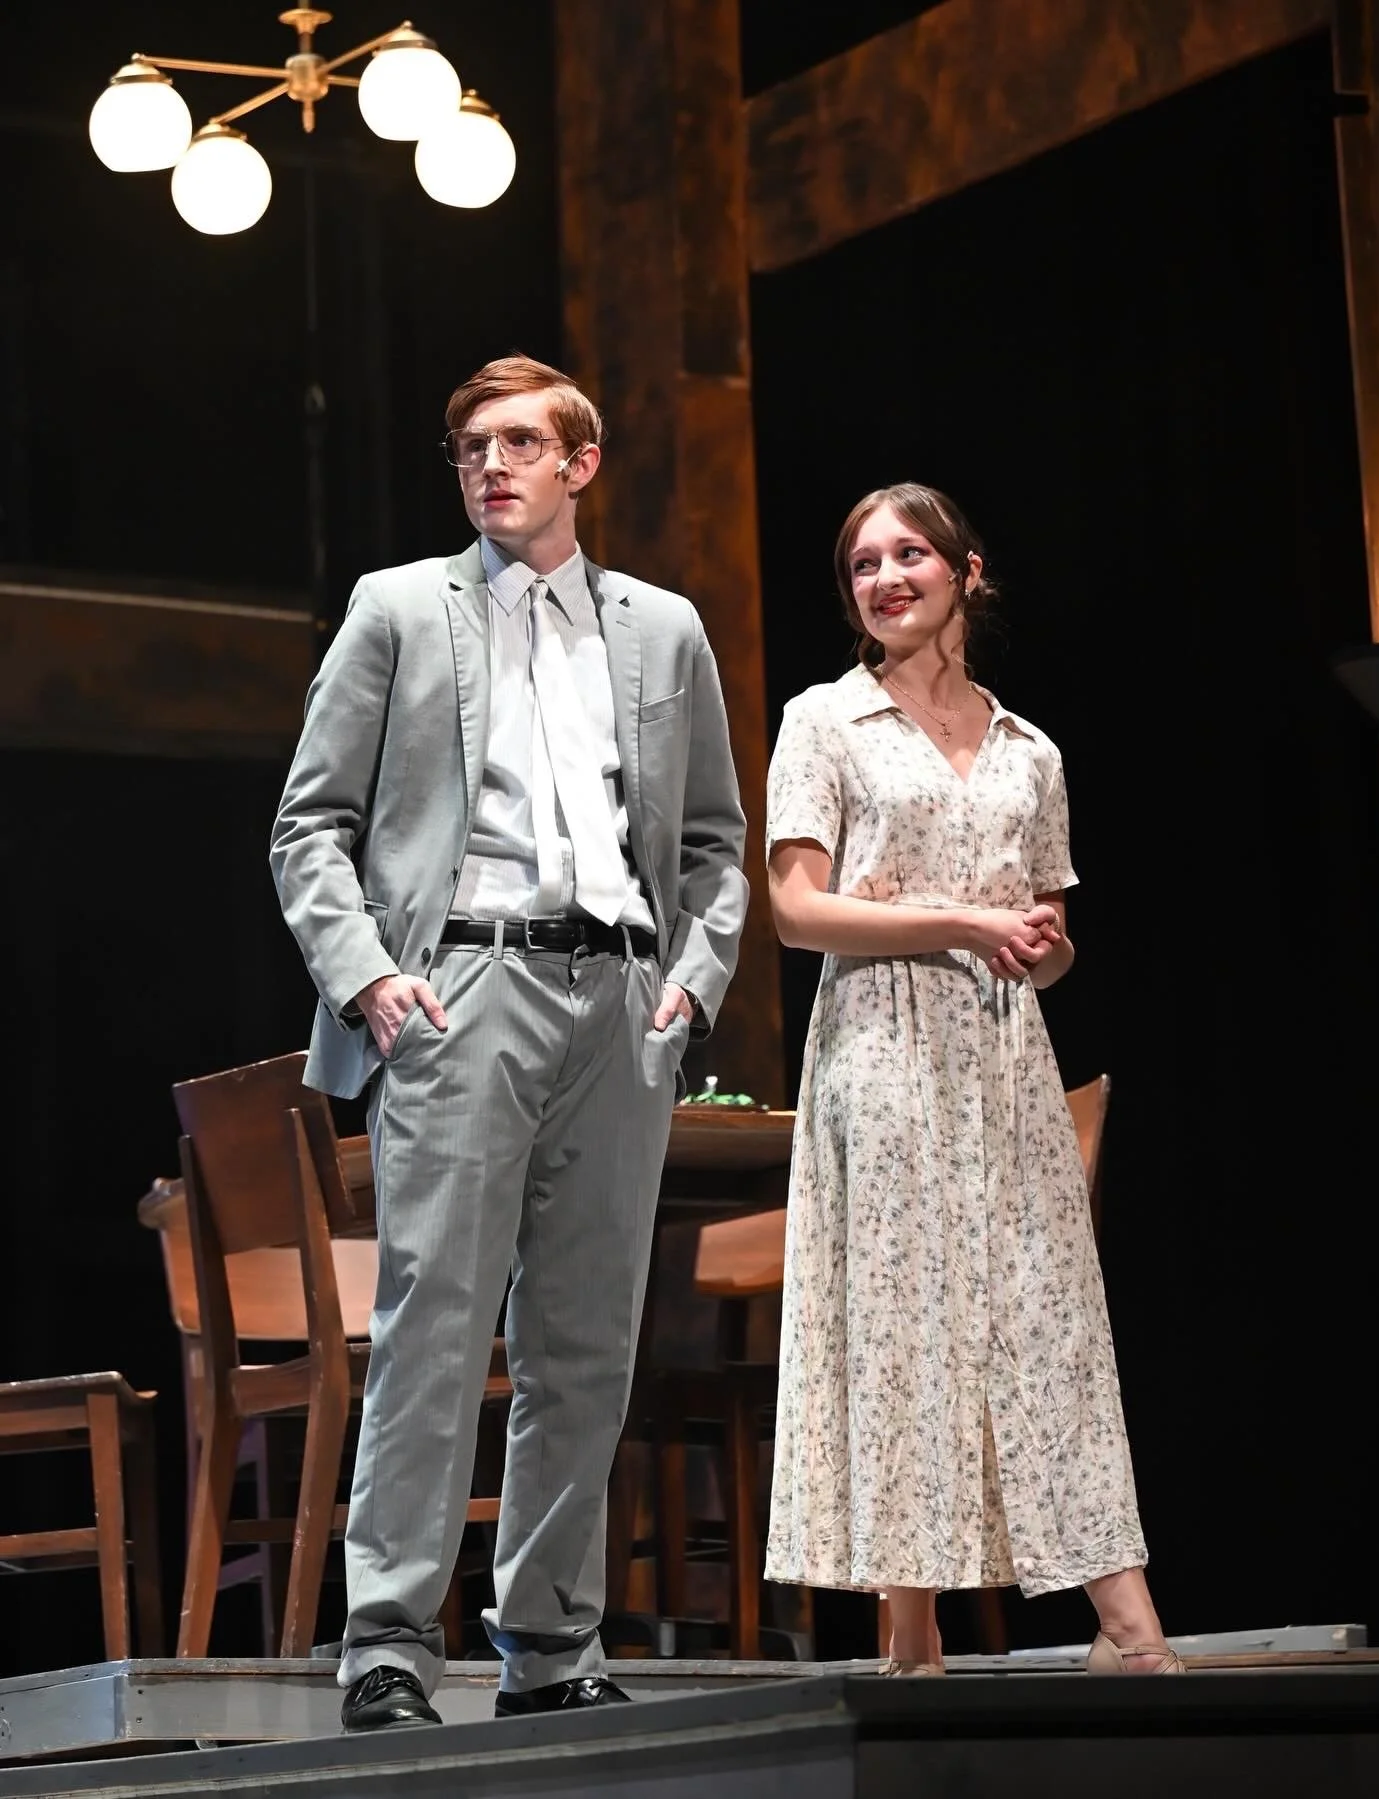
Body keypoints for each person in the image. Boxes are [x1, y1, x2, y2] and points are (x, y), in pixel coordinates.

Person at [271, 354, 748, 1728]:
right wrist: (370, 977)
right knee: (434, 1323)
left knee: (585, 1340)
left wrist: (692, 976)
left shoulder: (663, 629)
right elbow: (308, 824)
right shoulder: (399, 608)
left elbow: (714, 844)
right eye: (472, 444)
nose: (492, 464)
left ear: (580, 463)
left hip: (621, 997)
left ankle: (550, 1644)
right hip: (461, 984)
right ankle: (386, 1642)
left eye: (522, 441)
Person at [763, 483, 1180, 1676]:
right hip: (881, 1046)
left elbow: (1048, 939)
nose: (885, 578)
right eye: (863, 564)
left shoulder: (1029, 749)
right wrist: (957, 919)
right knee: (907, 1320)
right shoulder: (826, 721)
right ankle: (911, 1632)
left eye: (909, 554)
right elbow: (795, 910)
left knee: (1051, 1323)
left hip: (1003, 1054)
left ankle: (1126, 1624)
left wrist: (1040, 947)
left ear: (966, 572)